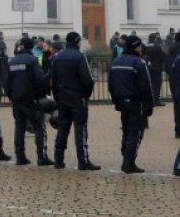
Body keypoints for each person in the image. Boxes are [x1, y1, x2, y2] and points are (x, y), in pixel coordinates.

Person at [51, 32, 100, 170]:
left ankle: (58, 160)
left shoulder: (57, 57)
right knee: (80, 130)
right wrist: (86, 95)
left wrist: (56, 95)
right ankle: (82, 161)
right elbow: (88, 80)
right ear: (77, 42)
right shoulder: (79, 56)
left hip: (62, 97)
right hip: (78, 98)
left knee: (62, 129)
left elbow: (53, 79)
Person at [5, 37, 54, 166]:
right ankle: (41, 157)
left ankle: (20, 156)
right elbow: (39, 80)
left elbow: (7, 83)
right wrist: (41, 96)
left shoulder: (12, 61)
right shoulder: (32, 60)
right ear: (31, 47)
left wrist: (12, 97)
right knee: (39, 126)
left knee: (19, 127)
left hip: (17, 99)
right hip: (30, 99)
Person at [109, 35, 154, 174]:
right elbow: (146, 86)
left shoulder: (117, 61)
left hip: (122, 101)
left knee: (126, 130)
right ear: (137, 46)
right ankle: (129, 163)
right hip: (136, 102)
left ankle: (125, 160)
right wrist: (149, 105)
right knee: (135, 132)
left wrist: (115, 100)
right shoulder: (139, 62)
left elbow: (111, 83)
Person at [145, 33, 166, 106]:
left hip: (147, 68)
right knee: (156, 85)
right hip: (157, 68)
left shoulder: (145, 46)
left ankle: (148, 100)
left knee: (148, 84)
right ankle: (156, 100)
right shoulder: (157, 46)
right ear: (155, 39)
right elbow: (162, 56)